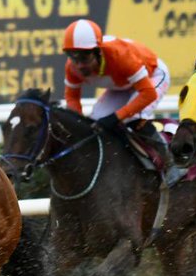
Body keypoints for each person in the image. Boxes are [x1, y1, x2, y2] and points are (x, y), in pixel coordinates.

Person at [62, 19, 177, 177]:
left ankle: (170, 162)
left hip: (152, 76)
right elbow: (72, 98)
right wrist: (79, 125)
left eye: (85, 58)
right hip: (122, 84)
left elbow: (148, 93)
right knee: (96, 122)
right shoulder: (71, 67)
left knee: (133, 118)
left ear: (98, 51)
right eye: (74, 57)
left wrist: (117, 117)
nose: (80, 65)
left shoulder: (120, 56)